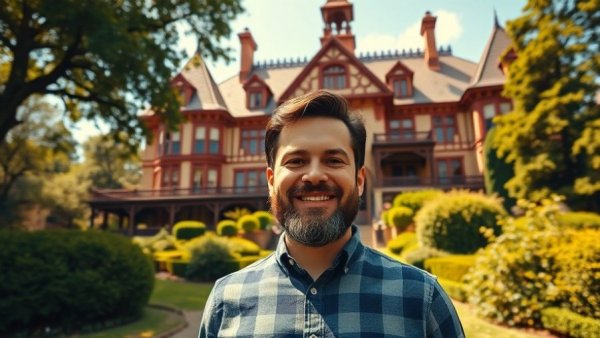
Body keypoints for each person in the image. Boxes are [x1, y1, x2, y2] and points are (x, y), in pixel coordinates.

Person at [199, 90, 465, 337]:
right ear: (270, 181)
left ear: (360, 180)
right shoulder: (226, 301)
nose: (314, 175)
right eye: (296, 161)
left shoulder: (422, 299)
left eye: (334, 160)